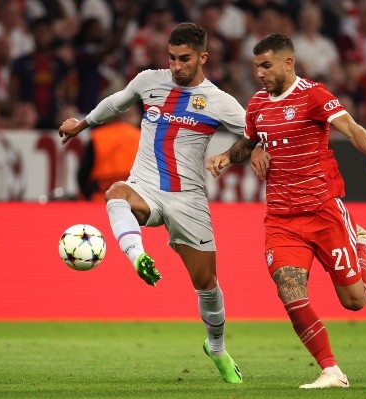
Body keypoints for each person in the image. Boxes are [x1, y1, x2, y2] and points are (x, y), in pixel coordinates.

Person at [206, 33, 366, 389]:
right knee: (288, 286)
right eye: (256, 66)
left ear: (288, 63)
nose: (260, 73)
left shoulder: (313, 95)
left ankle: (361, 245)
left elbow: (351, 127)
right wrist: (227, 156)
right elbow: (248, 142)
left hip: (323, 210)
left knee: (355, 301)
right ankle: (330, 369)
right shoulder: (257, 105)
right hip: (281, 217)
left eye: (266, 65)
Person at [58, 22, 244, 384]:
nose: (175, 66)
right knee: (115, 194)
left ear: (203, 58)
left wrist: (240, 154)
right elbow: (116, 102)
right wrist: (82, 123)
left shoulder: (220, 101)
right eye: (171, 58)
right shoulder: (148, 81)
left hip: (188, 200)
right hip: (144, 187)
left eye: (184, 59)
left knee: (207, 284)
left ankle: (217, 348)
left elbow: (254, 131)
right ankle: (137, 256)